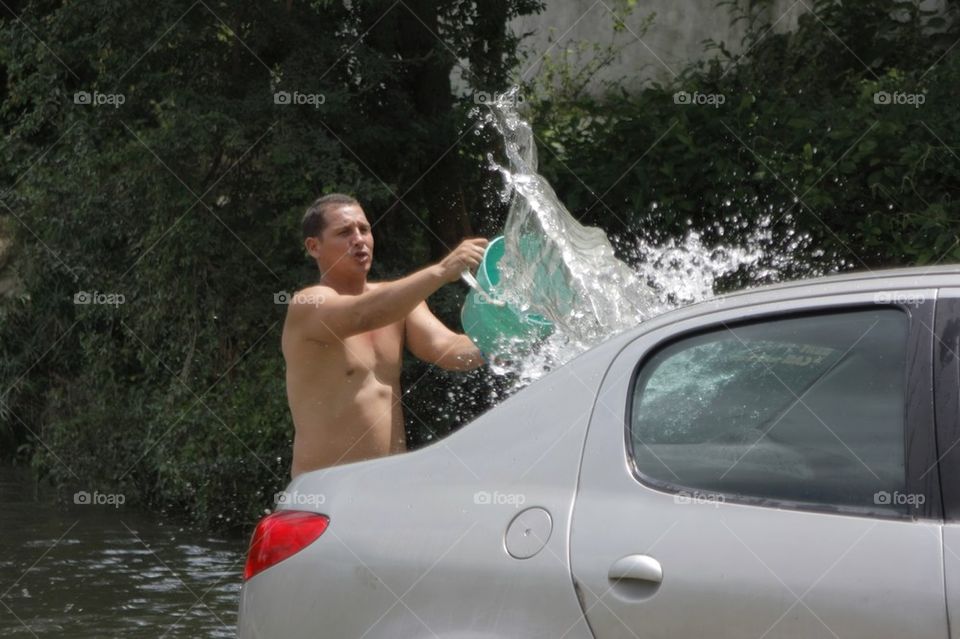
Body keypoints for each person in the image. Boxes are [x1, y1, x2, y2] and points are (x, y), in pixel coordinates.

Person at [282, 193, 489, 477]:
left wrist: (504, 337)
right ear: (314, 247)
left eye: (364, 229)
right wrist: (441, 271)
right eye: (344, 232)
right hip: (325, 493)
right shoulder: (308, 304)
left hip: (390, 487)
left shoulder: (400, 303)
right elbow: (361, 315)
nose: (359, 239)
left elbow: (449, 349)